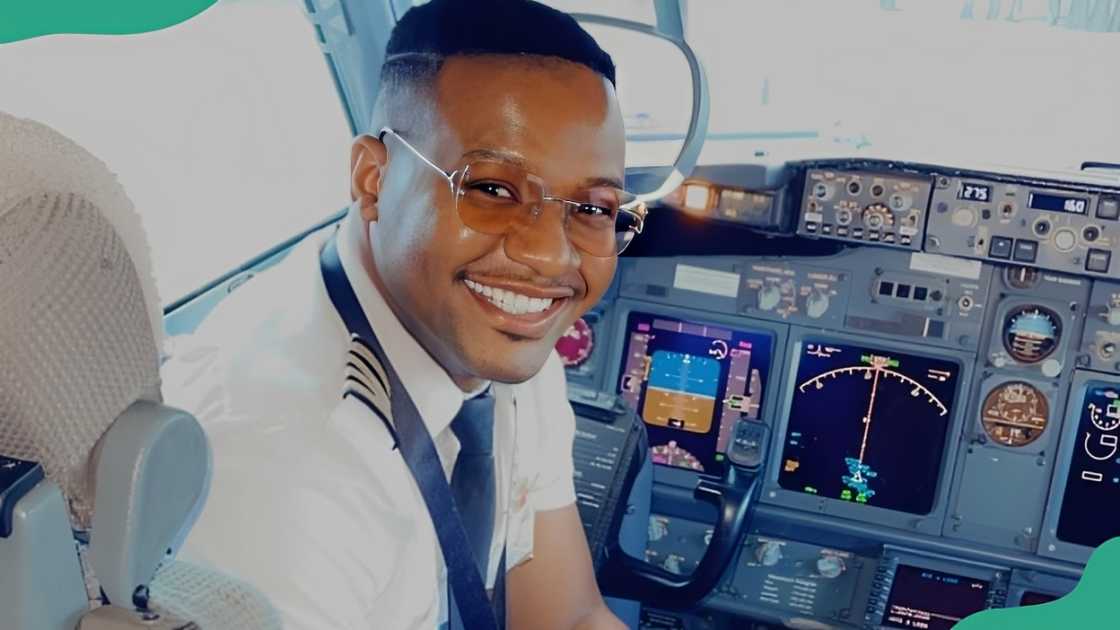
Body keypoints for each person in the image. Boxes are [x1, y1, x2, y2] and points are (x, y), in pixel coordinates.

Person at [161, 0, 644, 628]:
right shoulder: (280, 483)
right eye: (492, 189)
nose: (549, 257)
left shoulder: (501, 341)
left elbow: (567, 614)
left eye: (593, 208)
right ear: (371, 180)